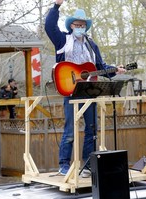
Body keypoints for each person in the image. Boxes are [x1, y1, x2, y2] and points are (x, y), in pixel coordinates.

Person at [45, 0, 126, 177]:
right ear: (71, 26)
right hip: (71, 89)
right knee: (70, 129)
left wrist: (115, 70)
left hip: (89, 91)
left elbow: (100, 65)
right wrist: (56, 7)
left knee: (92, 128)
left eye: (83, 25)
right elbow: (49, 26)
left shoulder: (91, 44)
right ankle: (64, 164)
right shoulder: (62, 40)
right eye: (77, 24)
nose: (80, 27)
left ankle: (88, 165)